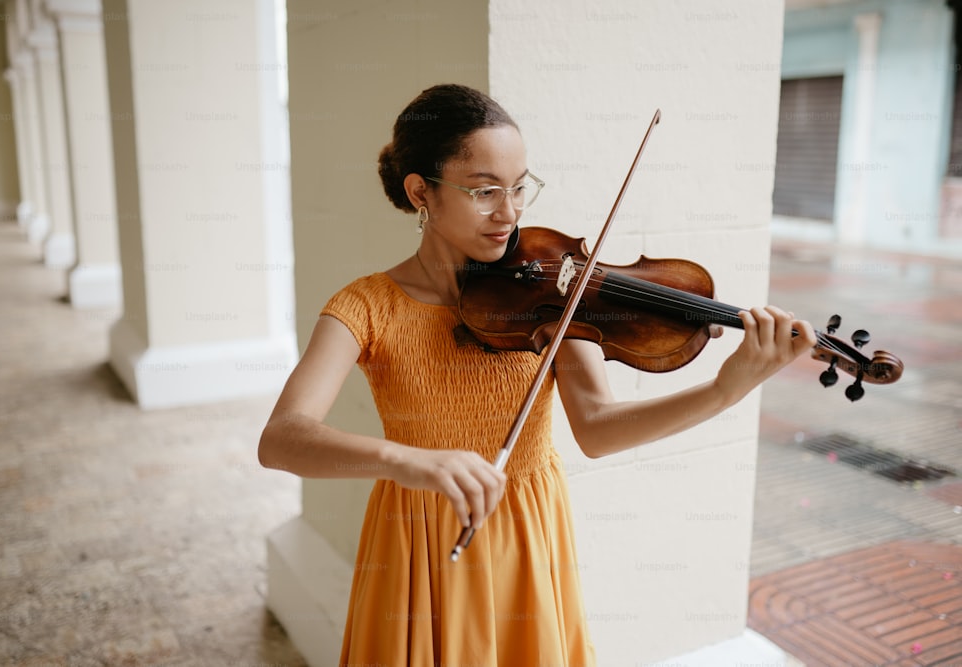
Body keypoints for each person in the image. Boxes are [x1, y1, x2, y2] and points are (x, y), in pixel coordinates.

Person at [258, 83, 817, 666]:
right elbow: (281, 439)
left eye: (521, 187)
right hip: (420, 535)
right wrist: (409, 460)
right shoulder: (367, 305)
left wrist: (727, 389)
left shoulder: (551, 288)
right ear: (420, 191)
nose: (510, 212)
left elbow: (598, 429)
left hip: (528, 529)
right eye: (484, 192)